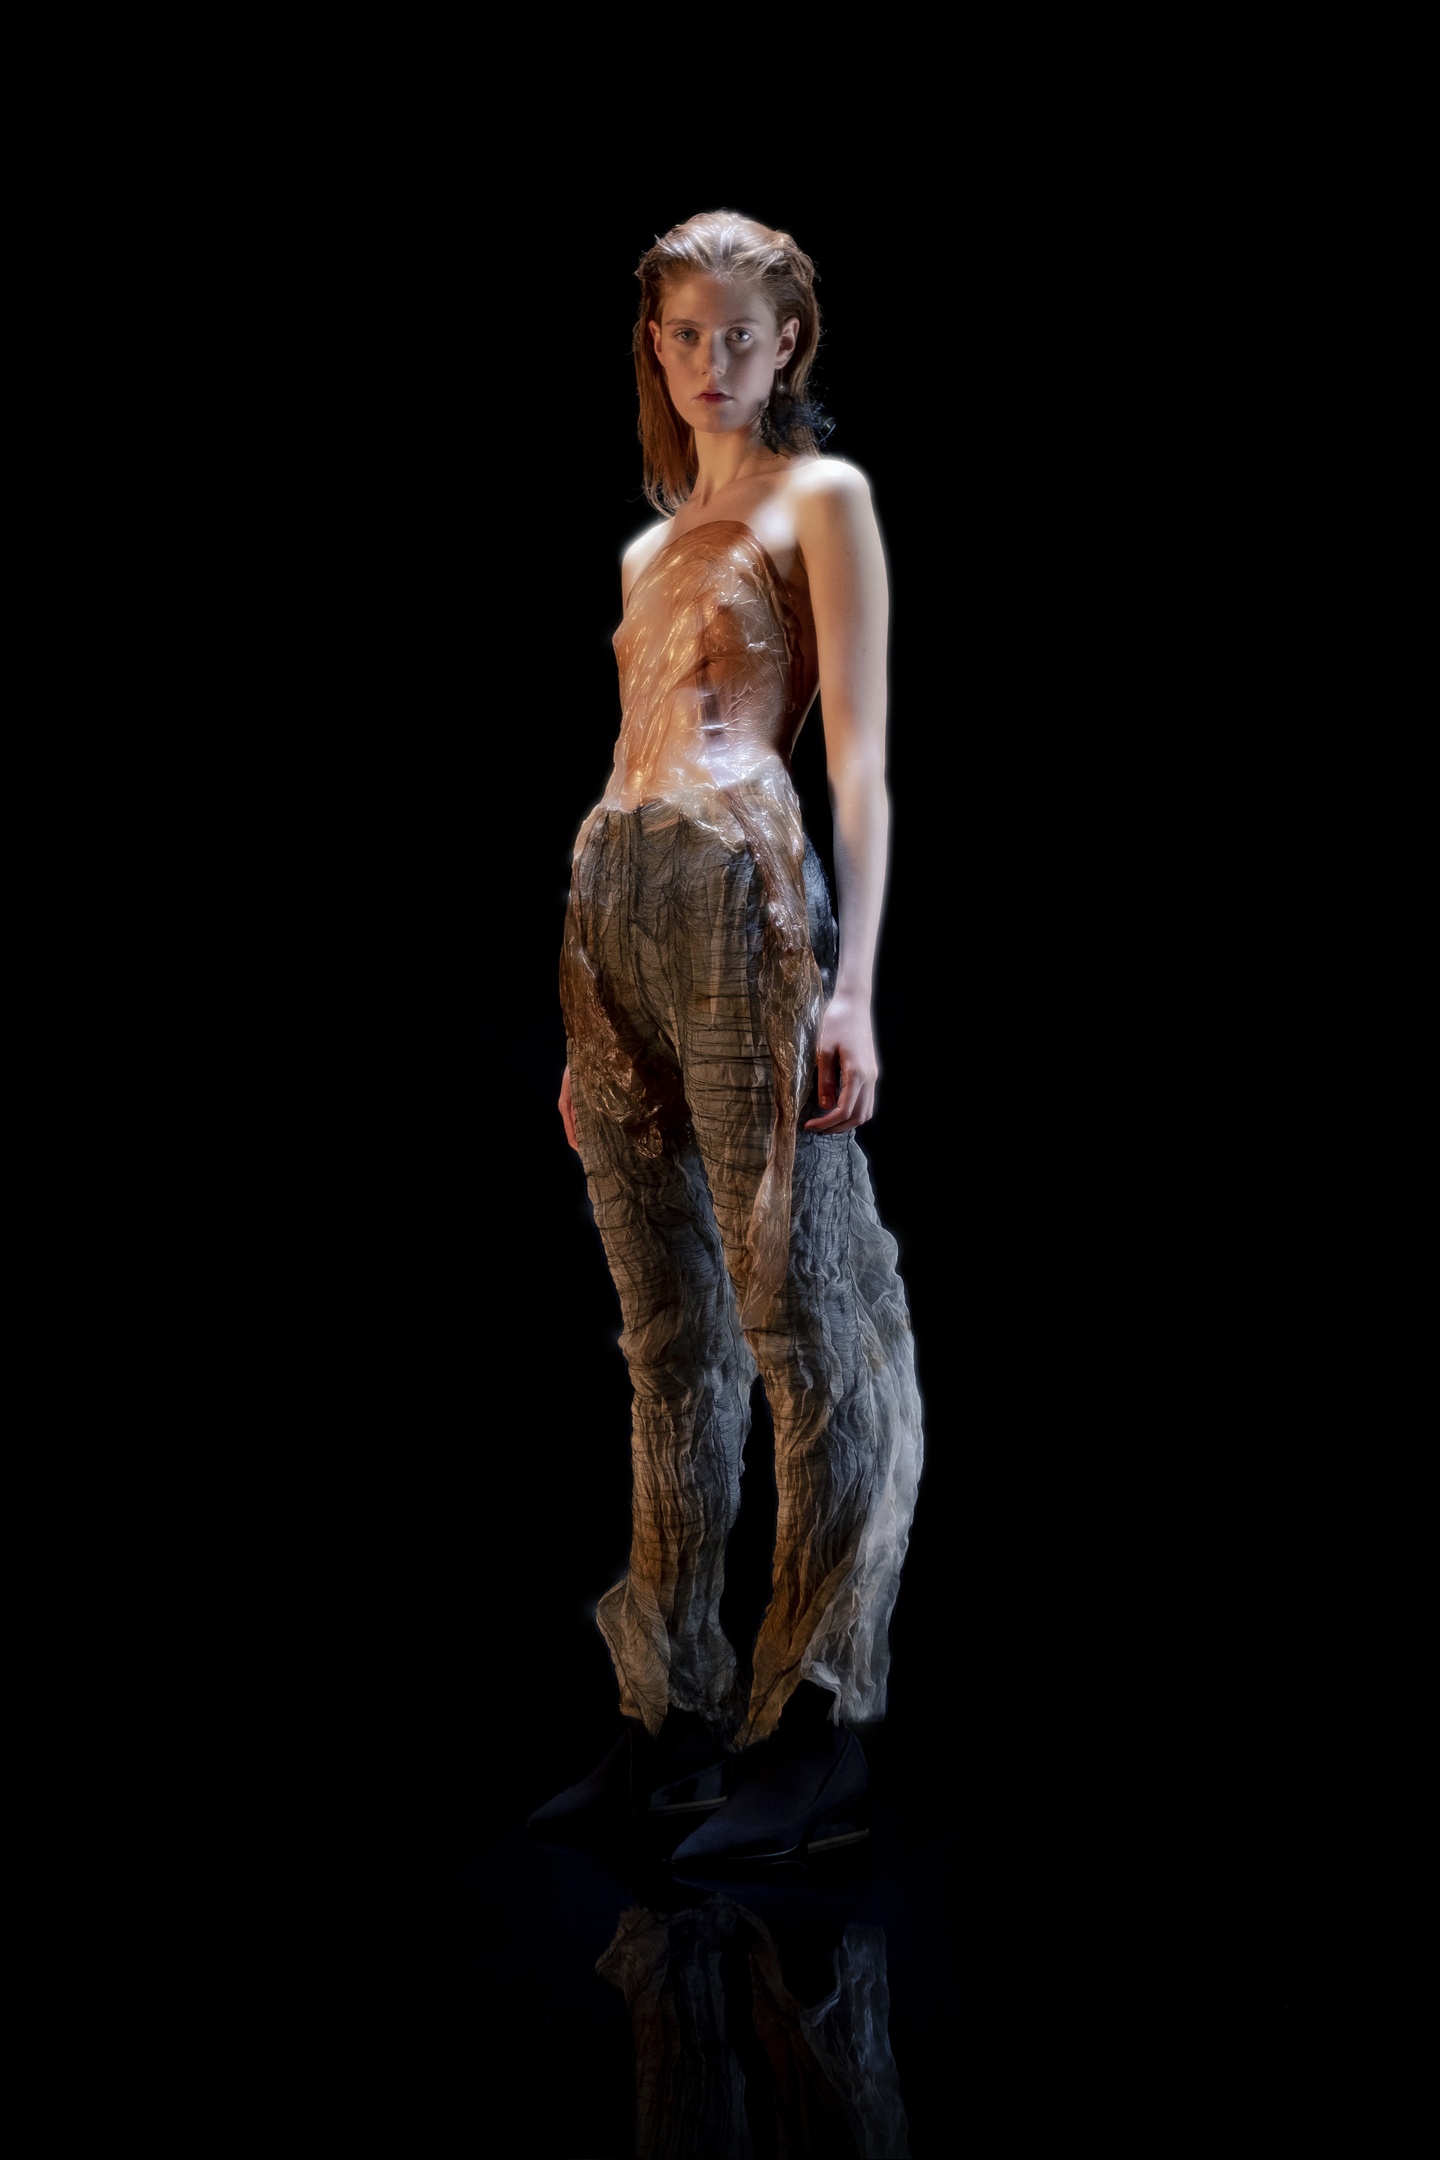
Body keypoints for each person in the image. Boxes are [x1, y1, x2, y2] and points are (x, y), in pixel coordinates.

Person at [529, 210, 924, 1865]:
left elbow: (858, 759)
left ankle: (815, 1721)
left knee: (798, 1313)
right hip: (614, 908)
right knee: (663, 1335)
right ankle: (666, 1714)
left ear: (788, 344)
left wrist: (855, 987)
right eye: (683, 334)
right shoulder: (647, 550)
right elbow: (636, 747)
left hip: (744, 894)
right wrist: (588, 1024)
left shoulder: (819, 497)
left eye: (738, 336)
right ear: (657, 344)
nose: (709, 362)